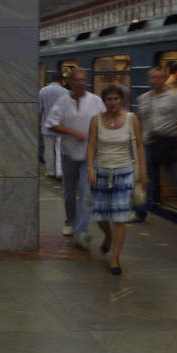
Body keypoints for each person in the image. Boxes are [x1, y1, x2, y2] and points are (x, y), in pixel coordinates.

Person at [86, 84, 147, 275]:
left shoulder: (131, 119)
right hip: (101, 171)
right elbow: (91, 145)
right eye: (109, 99)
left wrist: (142, 171)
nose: (112, 103)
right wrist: (90, 167)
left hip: (124, 172)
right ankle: (108, 236)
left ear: (122, 100)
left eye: (116, 99)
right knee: (101, 215)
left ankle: (115, 259)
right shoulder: (96, 120)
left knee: (120, 218)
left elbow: (139, 146)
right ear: (104, 102)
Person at [46, 68, 106, 248]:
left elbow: (105, 119)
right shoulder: (63, 102)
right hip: (68, 154)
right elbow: (51, 124)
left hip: (89, 155)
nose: (81, 83)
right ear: (70, 82)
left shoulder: (95, 101)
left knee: (86, 191)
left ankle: (81, 231)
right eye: (77, 80)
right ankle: (70, 221)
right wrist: (72, 132)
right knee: (69, 191)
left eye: (83, 80)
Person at [135, 67, 177, 218]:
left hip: (168, 141)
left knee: (176, 176)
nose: (155, 80)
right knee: (147, 178)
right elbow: (140, 123)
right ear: (149, 80)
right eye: (153, 77)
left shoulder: (174, 97)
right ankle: (143, 210)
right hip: (149, 142)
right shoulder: (143, 99)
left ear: (164, 79)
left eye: (159, 77)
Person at [39, 73, 67, 179]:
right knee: (60, 149)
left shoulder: (43, 91)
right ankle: (60, 172)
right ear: (60, 80)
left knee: (48, 150)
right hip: (61, 125)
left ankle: (50, 171)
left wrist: (38, 122)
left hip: (47, 126)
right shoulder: (65, 92)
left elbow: (39, 109)